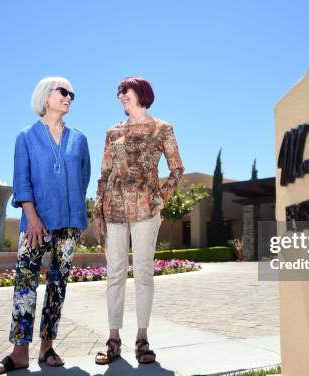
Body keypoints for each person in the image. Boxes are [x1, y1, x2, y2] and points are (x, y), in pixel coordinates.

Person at [0, 77, 91, 376]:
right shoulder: (26, 137)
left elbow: (82, 179)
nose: (69, 96)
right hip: (35, 225)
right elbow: (22, 181)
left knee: (58, 286)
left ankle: (47, 347)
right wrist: (32, 218)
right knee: (25, 285)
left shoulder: (79, 139)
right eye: (64, 92)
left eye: (72, 93)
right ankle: (19, 353)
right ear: (46, 97)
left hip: (70, 225)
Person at [92, 76, 184, 365]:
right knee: (115, 274)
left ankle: (142, 339)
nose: (121, 96)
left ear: (141, 93)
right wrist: (97, 210)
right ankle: (113, 339)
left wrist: (159, 200)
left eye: (126, 91)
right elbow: (104, 173)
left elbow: (177, 169)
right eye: (119, 92)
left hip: (147, 212)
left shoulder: (162, 129)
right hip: (114, 211)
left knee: (143, 274)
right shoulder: (112, 133)